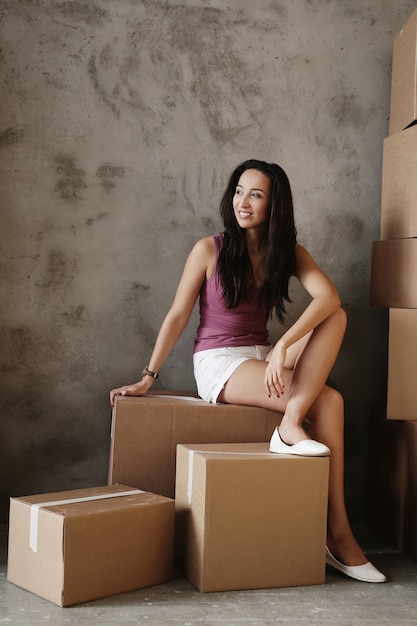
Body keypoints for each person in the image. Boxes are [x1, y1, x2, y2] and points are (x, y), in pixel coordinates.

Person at [110, 158, 386, 583]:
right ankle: (332, 518)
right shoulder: (209, 249)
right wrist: (149, 375)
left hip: (261, 355)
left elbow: (327, 297)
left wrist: (283, 349)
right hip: (220, 361)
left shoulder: (288, 253)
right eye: (239, 191)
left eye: (255, 194)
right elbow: (178, 316)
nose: (243, 201)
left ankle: (334, 531)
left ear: (274, 203)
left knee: (336, 328)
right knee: (327, 399)